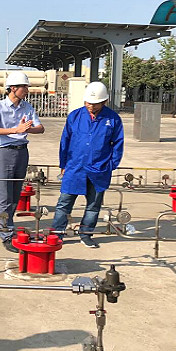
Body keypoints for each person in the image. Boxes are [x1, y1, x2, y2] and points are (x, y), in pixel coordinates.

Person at [51, 81, 124, 248]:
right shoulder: (75, 116)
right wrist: (63, 164)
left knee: (93, 205)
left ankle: (86, 234)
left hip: (99, 169)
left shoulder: (113, 119)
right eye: (88, 102)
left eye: (95, 103)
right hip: (75, 167)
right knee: (64, 203)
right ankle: (57, 233)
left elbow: (118, 144)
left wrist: (111, 165)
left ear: (104, 102)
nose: (91, 106)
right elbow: (65, 141)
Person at [0, 71, 45, 253]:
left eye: (27, 87)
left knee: (14, 195)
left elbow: (40, 128)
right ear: (13, 88)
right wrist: (15, 130)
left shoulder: (27, 107)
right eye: (24, 87)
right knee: (4, 196)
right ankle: (6, 234)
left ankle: (3, 225)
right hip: (5, 152)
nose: (27, 90)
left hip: (21, 152)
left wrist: (28, 129)